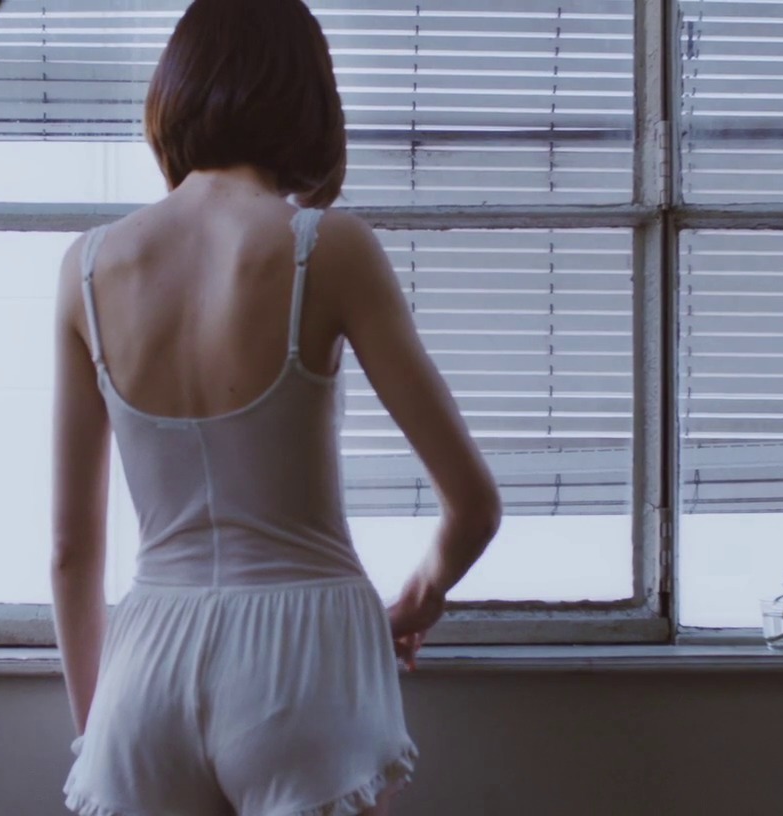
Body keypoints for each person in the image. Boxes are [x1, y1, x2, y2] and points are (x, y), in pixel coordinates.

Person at [49, 1, 503, 813]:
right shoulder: (325, 248)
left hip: (146, 663)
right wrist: (419, 597)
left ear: (174, 94)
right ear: (308, 104)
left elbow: (71, 552)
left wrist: (103, 733)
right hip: (305, 655)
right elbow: (472, 506)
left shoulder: (85, 268)